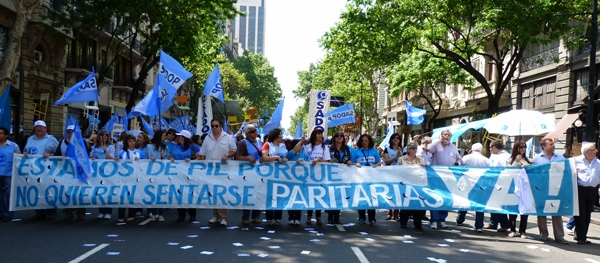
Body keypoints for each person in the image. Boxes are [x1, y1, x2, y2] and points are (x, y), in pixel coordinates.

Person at [199, 119, 236, 226]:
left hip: (224, 170)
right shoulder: (207, 138)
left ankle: (223, 216)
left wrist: (228, 155)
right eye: (212, 126)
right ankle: (215, 215)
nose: (214, 128)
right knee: (213, 192)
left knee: (222, 192)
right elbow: (202, 153)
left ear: (221, 127)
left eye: (216, 126)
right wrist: (202, 167)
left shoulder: (228, 138)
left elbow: (234, 150)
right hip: (211, 170)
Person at [533, 138, 569, 244]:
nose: (553, 146)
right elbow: (533, 173)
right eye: (550, 144)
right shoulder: (537, 158)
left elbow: (566, 170)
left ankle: (559, 236)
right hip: (542, 188)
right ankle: (543, 234)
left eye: (553, 144)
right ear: (544, 146)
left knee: (556, 211)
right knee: (542, 212)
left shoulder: (560, 157)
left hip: (556, 188)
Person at [427, 129, 462, 229]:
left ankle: (442, 219)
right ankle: (434, 220)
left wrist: (458, 163)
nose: (446, 137)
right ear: (441, 136)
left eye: (448, 135)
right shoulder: (436, 145)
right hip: (436, 176)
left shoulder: (453, 147)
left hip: (449, 177)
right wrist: (438, 141)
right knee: (436, 197)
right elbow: (429, 149)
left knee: (446, 198)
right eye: (444, 135)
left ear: (451, 137)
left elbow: (459, 159)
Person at [24, 120, 59, 220]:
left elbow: (58, 153)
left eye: (41, 127)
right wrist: (24, 153)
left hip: (47, 169)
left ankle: (51, 211)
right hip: (33, 169)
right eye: (37, 127)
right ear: (34, 129)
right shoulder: (30, 139)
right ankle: (39, 211)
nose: (39, 129)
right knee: (35, 189)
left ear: (45, 129)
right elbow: (25, 150)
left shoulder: (51, 139)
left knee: (48, 189)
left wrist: (50, 155)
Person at [572, 142, 600, 244]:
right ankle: (581, 237)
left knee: (587, 214)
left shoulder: (598, 163)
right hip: (580, 189)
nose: (596, 151)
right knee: (580, 213)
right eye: (594, 149)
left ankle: (580, 234)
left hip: (593, 190)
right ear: (587, 152)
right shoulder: (576, 161)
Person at [235, 124, 263, 225]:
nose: (255, 133)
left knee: (258, 193)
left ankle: (256, 215)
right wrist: (247, 158)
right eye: (252, 131)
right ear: (247, 134)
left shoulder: (260, 142)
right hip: (247, 173)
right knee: (248, 194)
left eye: (255, 131)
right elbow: (237, 157)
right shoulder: (243, 143)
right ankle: (245, 217)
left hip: (259, 172)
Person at [170, 130, 200, 222]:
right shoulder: (176, 146)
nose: (178, 138)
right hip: (178, 173)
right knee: (179, 193)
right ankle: (181, 214)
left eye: (180, 136)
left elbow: (199, 158)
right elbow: (171, 156)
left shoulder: (193, 147)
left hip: (189, 173)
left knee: (190, 193)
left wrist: (191, 161)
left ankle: (192, 214)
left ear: (184, 138)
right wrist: (171, 159)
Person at [352, 134, 382, 226]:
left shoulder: (374, 150)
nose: (364, 142)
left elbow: (378, 162)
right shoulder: (356, 151)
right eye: (362, 141)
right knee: (361, 196)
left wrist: (376, 165)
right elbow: (352, 162)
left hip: (372, 177)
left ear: (369, 141)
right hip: (360, 177)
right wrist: (355, 164)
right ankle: (361, 217)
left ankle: (372, 219)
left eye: (366, 140)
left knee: (372, 197)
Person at [303, 128, 331, 225]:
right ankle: (309, 216)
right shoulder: (308, 147)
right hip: (309, 175)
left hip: (320, 175)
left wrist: (319, 160)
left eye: (321, 134)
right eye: (318, 134)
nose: (320, 136)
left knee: (319, 195)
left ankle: (318, 216)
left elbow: (328, 161)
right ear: (314, 135)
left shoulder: (324, 148)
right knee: (310, 195)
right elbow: (304, 159)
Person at [460, 143, 490, 232]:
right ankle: (479, 225)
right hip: (480, 183)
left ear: (471, 149)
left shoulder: (466, 158)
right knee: (479, 203)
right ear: (481, 149)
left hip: (467, 182)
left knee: (464, 201)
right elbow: (488, 171)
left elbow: (461, 168)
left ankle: (460, 219)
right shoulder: (486, 160)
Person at [260, 128, 288, 226]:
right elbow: (264, 157)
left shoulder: (283, 145)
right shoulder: (267, 145)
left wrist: (285, 159)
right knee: (270, 196)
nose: (281, 136)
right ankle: (269, 217)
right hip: (270, 174)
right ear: (275, 135)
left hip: (281, 174)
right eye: (280, 134)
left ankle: (278, 217)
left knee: (279, 196)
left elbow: (286, 156)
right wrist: (276, 158)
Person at [506, 140, 532, 238]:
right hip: (513, 187)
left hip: (525, 188)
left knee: (524, 210)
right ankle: (512, 229)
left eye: (524, 147)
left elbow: (532, 169)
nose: (523, 149)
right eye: (521, 147)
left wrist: (525, 165)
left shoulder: (528, 160)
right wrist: (516, 162)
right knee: (512, 210)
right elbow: (507, 171)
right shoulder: (509, 160)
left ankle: (523, 231)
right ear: (516, 148)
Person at [60, 125, 87, 221]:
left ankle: (81, 213)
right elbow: (56, 155)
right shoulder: (62, 143)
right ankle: (68, 212)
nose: (70, 134)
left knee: (79, 192)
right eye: (69, 132)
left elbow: (86, 155)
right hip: (66, 171)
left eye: (72, 132)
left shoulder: (81, 142)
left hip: (78, 171)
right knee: (67, 191)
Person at [114, 134, 144, 222]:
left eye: (133, 141)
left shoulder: (139, 152)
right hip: (123, 177)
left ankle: (132, 213)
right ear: (126, 142)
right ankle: (121, 215)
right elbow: (117, 163)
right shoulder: (122, 153)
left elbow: (144, 164)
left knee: (132, 195)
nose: (132, 143)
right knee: (122, 195)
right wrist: (116, 160)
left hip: (134, 177)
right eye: (130, 141)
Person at [483, 140, 510, 232]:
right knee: (492, 203)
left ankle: (505, 224)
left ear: (494, 147)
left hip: (501, 182)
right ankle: (493, 223)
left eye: (490, 147)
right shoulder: (493, 155)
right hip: (492, 181)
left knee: (497, 203)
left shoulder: (506, 156)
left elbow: (506, 169)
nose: (489, 149)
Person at [396, 142, 425, 229]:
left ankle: (417, 223)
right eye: (412, 148)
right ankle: (403, 222)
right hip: (405, 183)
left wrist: (424, 166)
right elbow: (397, 171)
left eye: (416, 148)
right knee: (406, 203)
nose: (414, 150)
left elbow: (424, 172)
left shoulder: (420, 159)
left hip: (417, 184)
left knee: (418, 203)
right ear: (408, 149)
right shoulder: (402, 159)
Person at [328, 131, 353, 224]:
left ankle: (337, 216)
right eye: (337, 136)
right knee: (331, 195)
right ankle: (330, 216)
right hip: (331, 174)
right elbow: (326, 158)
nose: (339, 137)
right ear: (334, 138)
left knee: (340, 195)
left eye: (341, 136)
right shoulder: (329, 148)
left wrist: (349, 162)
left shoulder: (347, 148)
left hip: (342, 175)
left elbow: (349, 159)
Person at [90, 130, 116, 220]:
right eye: (102, 135)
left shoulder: (111, 147)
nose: (104, 136)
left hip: (108, 172)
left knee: (107, 192)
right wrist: (91, 158)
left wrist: (106, 151)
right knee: (99, 192)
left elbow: (111, 158)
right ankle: (101, 211)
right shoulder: (94, 147)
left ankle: (108, 211)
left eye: (106, 135)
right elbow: (90, 157)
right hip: (98, 172)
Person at [146, 130, 170, 222]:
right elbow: (144, 158)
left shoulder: (165, 147)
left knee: (160, 192)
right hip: (151, 172)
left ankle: (160, 213)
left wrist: (163, 158)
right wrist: (150, 159)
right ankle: (151, 212)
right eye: (164, 135)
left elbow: (167, 159)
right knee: (151, 192)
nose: (165, 137)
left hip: (162, 173)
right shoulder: (149, 147)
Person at [0, 127, 22, 222]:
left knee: (9, 195)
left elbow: (19, 159)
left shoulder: (13, 146)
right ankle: (1, 213)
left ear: (6, 135)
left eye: (0, 133)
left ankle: (7, 214)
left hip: (8, 174)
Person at [286, 137, 307, 224]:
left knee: (299, 198)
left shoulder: (303, 154)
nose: (302, 146)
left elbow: (307, 165)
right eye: (301, 145)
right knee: (291, 199)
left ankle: (297, 218)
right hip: (291, 180)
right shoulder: (291, 153)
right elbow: (294, 150)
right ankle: (291, 218)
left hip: (300, 180)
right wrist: (301, 141)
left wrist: (303, 161)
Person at [382, 133, 402, 220]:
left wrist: (401, 155)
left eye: (398, 138)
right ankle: (389, 212)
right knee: (390, 193)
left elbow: (405, 161)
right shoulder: (387, 149)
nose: (396, 139)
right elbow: (386, 162)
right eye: (394, 138)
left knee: (398, 194)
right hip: (390, 174)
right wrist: (395, 157)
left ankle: (396, 214)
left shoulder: (402, 149)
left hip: (400, 174)